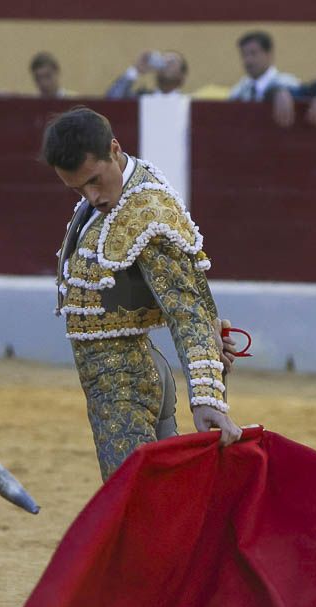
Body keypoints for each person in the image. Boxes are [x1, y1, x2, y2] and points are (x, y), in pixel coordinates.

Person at [42, 107, 240, 479]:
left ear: (114, 150)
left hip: (127, 385)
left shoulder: (146, 211)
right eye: (78, 189)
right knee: (159, 498)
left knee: (136, 505)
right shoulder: (124, 197)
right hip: (128, 375)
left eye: (95, 180)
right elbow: (190, 291)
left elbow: (186, 308)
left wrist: (207, 396)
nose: (92, 195)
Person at [227, 31, 299, 101]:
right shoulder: (240, 89)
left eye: (253, 53)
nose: (248, 60)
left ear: (268, 54)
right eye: (244, 55)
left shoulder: (287, 83)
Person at [106, 50, 187, 99]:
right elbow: (112, 99)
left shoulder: (189, 104)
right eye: (163, 61)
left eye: (172, 61)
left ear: (182, 77)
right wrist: (135, 70)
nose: (167, 64)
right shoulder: (143, 98)